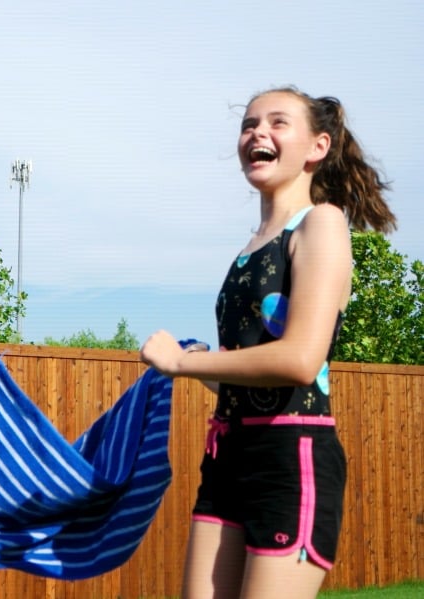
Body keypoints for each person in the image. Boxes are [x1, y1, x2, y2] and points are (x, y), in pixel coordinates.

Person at [140, 87, 396, 599]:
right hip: (229, 454)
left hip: (291, 456)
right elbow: (247, 376)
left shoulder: (321, 224)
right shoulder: (248, 250)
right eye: (250, 124)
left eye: (278, 123)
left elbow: (301, 360)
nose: (258, 132)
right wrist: (198, 366)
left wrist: (183, 365)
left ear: (317, 147)